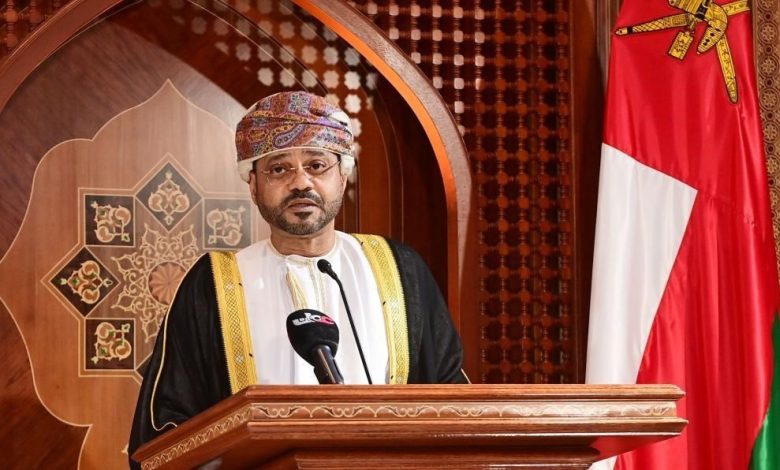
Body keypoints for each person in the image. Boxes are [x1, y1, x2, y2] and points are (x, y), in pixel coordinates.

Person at [128, 91, 467, 464]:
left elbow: (450, 404)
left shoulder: (401, 270)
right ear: (253, 186)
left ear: (343, 177)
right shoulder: (212, 284)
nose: (300, 183)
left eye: (317, 165)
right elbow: (167, 430)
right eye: (279, 169)